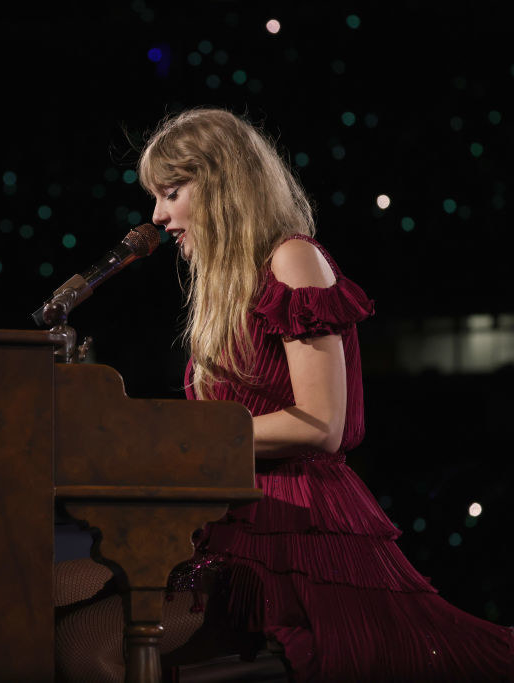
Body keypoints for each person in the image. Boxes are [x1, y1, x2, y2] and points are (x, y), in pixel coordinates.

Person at [54, 109, 514, 681]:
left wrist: (173, 436)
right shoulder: (230, 285)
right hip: (225, 524)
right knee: (35, 592)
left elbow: (321, 423)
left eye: (171, 193)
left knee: (82, 647)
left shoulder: (292, 257)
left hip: (290, 534)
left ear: (221, 185)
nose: (157, 216)